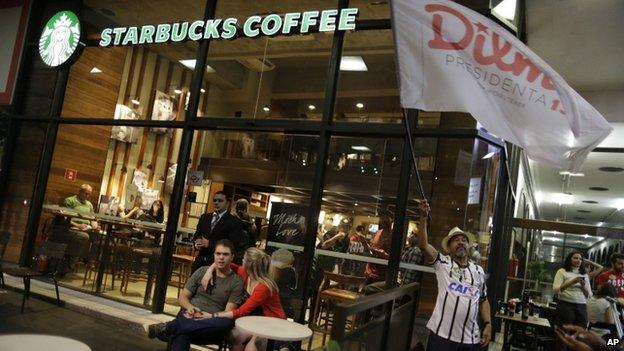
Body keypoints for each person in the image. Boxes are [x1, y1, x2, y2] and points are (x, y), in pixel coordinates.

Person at [415, 201, 491, 351]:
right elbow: (423, 245)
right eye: (456, 240)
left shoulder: (478, 271)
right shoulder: (443, 263)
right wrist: (423, 217)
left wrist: (488, 323)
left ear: (468, 247)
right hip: (441, 337)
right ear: (448, 248)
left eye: (464, 240)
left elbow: (484, 300)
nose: (461, 242)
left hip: (470, 340)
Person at [147, 240, 245, 351]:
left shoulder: (236, 282)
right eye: (218, 254)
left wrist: (208, 316)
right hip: (191, 316)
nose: (221, 257)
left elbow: (228, 313)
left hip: (211, 324)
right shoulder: (202, 271)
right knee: (182, 334)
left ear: (232, 257)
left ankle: (168, 327)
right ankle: (175, 327)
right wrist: (190, 308)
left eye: (225, 254)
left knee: (225, 323)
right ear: (214, 255)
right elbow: (183, 297)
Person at [200, 247, 286, 351]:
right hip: (254, 320)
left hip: (272, 323)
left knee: (252, 347)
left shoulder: (263, 287)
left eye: (244, 260)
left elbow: (241, 311)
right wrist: (209, 270)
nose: (242, 261)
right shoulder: (244, 273)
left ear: (248, 265)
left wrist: (212, 315)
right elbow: (224, 264)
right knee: (235, 337)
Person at [51, 184, 99, 272]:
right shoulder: (70, 201)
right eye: (86, 193)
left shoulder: (89, 205)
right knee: (83, 237)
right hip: (71, 228)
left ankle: (91, 262)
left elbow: (92, 218)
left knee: (97, 236)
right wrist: (78, 225)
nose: (87, 196)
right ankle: (70, 264)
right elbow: (65, 218)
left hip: (86, 228)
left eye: (89, 194)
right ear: (80, 191)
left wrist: (95, 225)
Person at [192, 191, 243, 272]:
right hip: (199, 263)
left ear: (227, 203)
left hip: (218, 265)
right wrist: (196, 244)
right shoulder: (204, 218)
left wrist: (210, 244)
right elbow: (197, 235)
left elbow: (233, 245)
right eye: (215, 200)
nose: (216, 203)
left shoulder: (234, 222)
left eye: (220, 201)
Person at [553, 251, 596, 330]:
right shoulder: (562, 271)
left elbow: (589, 295)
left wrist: (583, 286)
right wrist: (572, 282)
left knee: (580, 332)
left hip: (581, 305)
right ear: (569, 259)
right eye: (575, 258)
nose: (578, 260)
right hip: (565, 304)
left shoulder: (584, 274)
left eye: (580, 259)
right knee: (564, 331)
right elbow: (556, 290)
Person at [365, 211, 393, 284]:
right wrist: (367, 267)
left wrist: (385, 255)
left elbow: (397, 258)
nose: (383, 220)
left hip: (384, 275)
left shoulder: (395, 236)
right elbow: (371, 253)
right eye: (382, 218)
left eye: (386, 218)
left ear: (391, 220)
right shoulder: (378, 233)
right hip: (371, 272)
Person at [232, 199, 257, 264]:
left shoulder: (230, 220)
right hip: (244, 257)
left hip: (230, 255)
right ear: (246, 209)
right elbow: (253, 244)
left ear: (236, 207)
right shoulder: (252, 224)